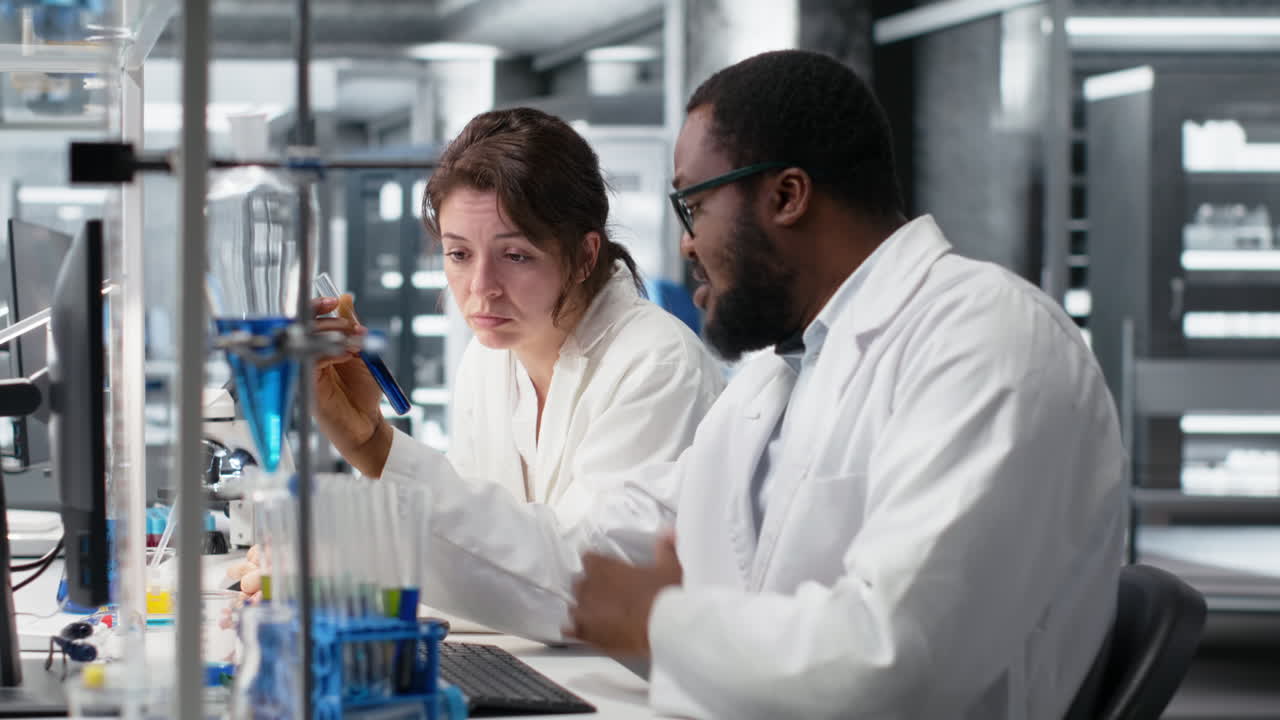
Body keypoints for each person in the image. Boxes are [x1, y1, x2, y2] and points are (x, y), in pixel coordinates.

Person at [280, 52, 1124, 719]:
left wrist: (662, 621)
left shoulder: (986, 339)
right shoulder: (777, 379)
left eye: (694, 207)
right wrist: (376, 447)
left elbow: (893, 661)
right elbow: (582, 557)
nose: (684, 246)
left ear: (787, 195)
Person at [231, 107, 726, 604]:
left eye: (515, 255)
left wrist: (354, 570)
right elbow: (479, 548)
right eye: (459, 254)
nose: (481, 290)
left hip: (624, 678)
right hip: (533, 670)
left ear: (585, 256)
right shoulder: (490, 360)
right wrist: (369, 443)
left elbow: (585, 576)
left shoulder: (657, 364)